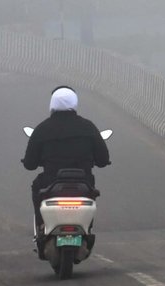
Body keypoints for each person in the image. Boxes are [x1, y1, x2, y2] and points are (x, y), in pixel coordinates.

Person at [22, 86, 110, 247]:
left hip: (50, 184)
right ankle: (86, 228)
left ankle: (42, 226)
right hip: (83, 184)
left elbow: (29, 164)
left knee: (36, 187)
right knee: (92, 193)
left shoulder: (42, 129)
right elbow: (103, 160)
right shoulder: (88, 127)